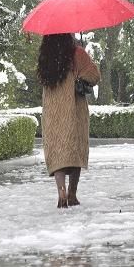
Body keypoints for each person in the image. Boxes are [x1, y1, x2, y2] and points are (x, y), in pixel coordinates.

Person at [37, 33, 101, 208]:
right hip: (74, 110)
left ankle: (61, 190)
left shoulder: (46, 57)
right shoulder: (77, 53)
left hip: (52, 111)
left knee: (57, 149)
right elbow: (95, 76)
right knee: (75, 148)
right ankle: (72, 194)